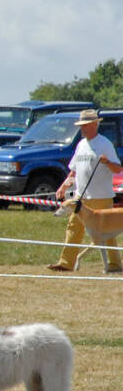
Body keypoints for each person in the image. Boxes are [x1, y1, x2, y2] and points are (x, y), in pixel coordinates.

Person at [47, 109, 123, 273]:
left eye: (85, 125)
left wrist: (106, 161)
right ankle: (66, 263)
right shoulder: (81, 145)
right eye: (81, 126)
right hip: (80, 197)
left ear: (95, 125)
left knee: (107, 233)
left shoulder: (105, 144)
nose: (82, 129)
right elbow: (74, 171)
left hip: (101, 197)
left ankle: (115, 264)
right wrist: (64, 186)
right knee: (73, 227)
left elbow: (117, 168)